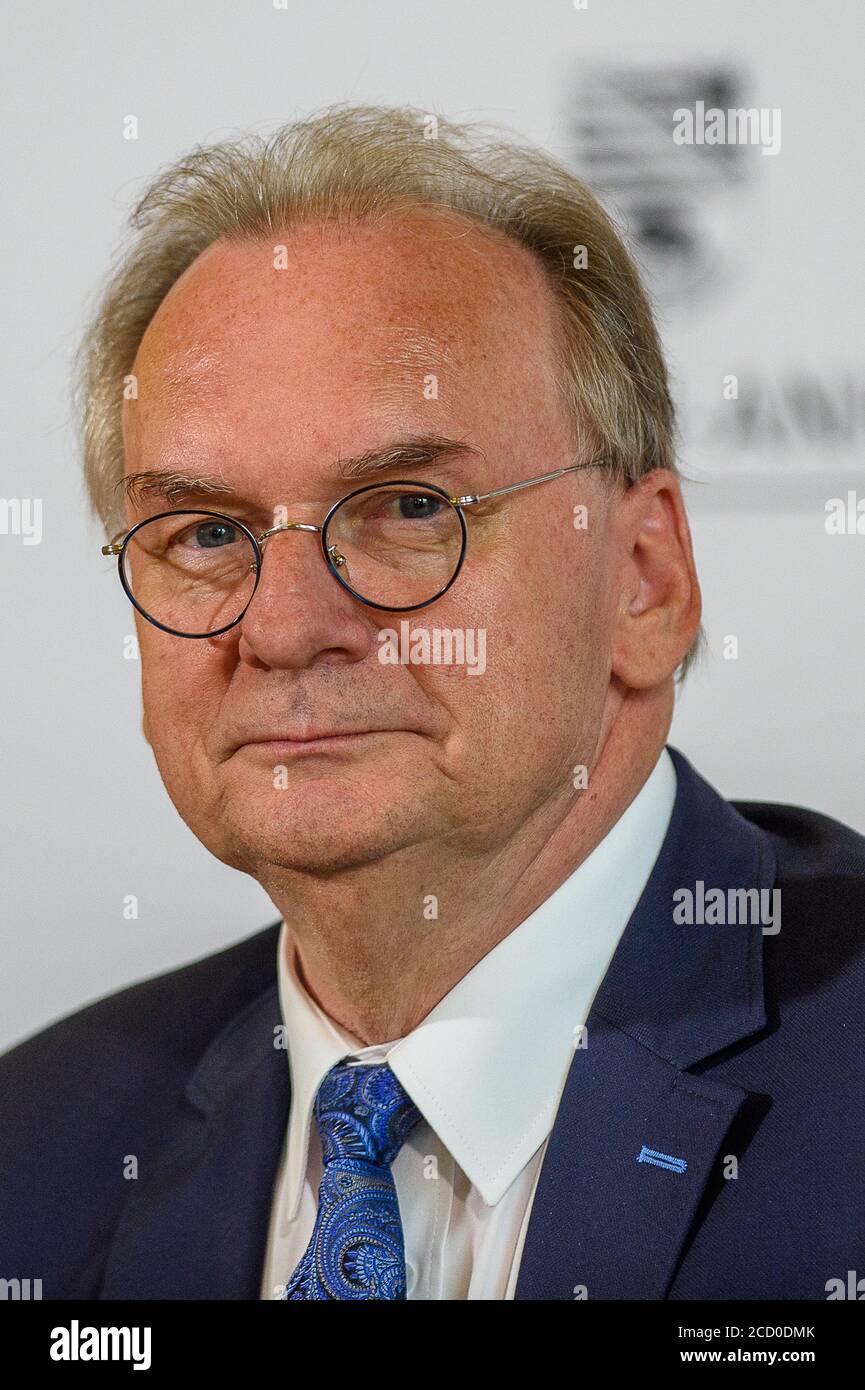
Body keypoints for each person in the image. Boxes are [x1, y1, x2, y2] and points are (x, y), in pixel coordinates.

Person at [1, 104, 862, 1301]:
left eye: (409, 508)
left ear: (644, 578)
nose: (287, 625)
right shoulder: (35, 1154)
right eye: (205, 531)